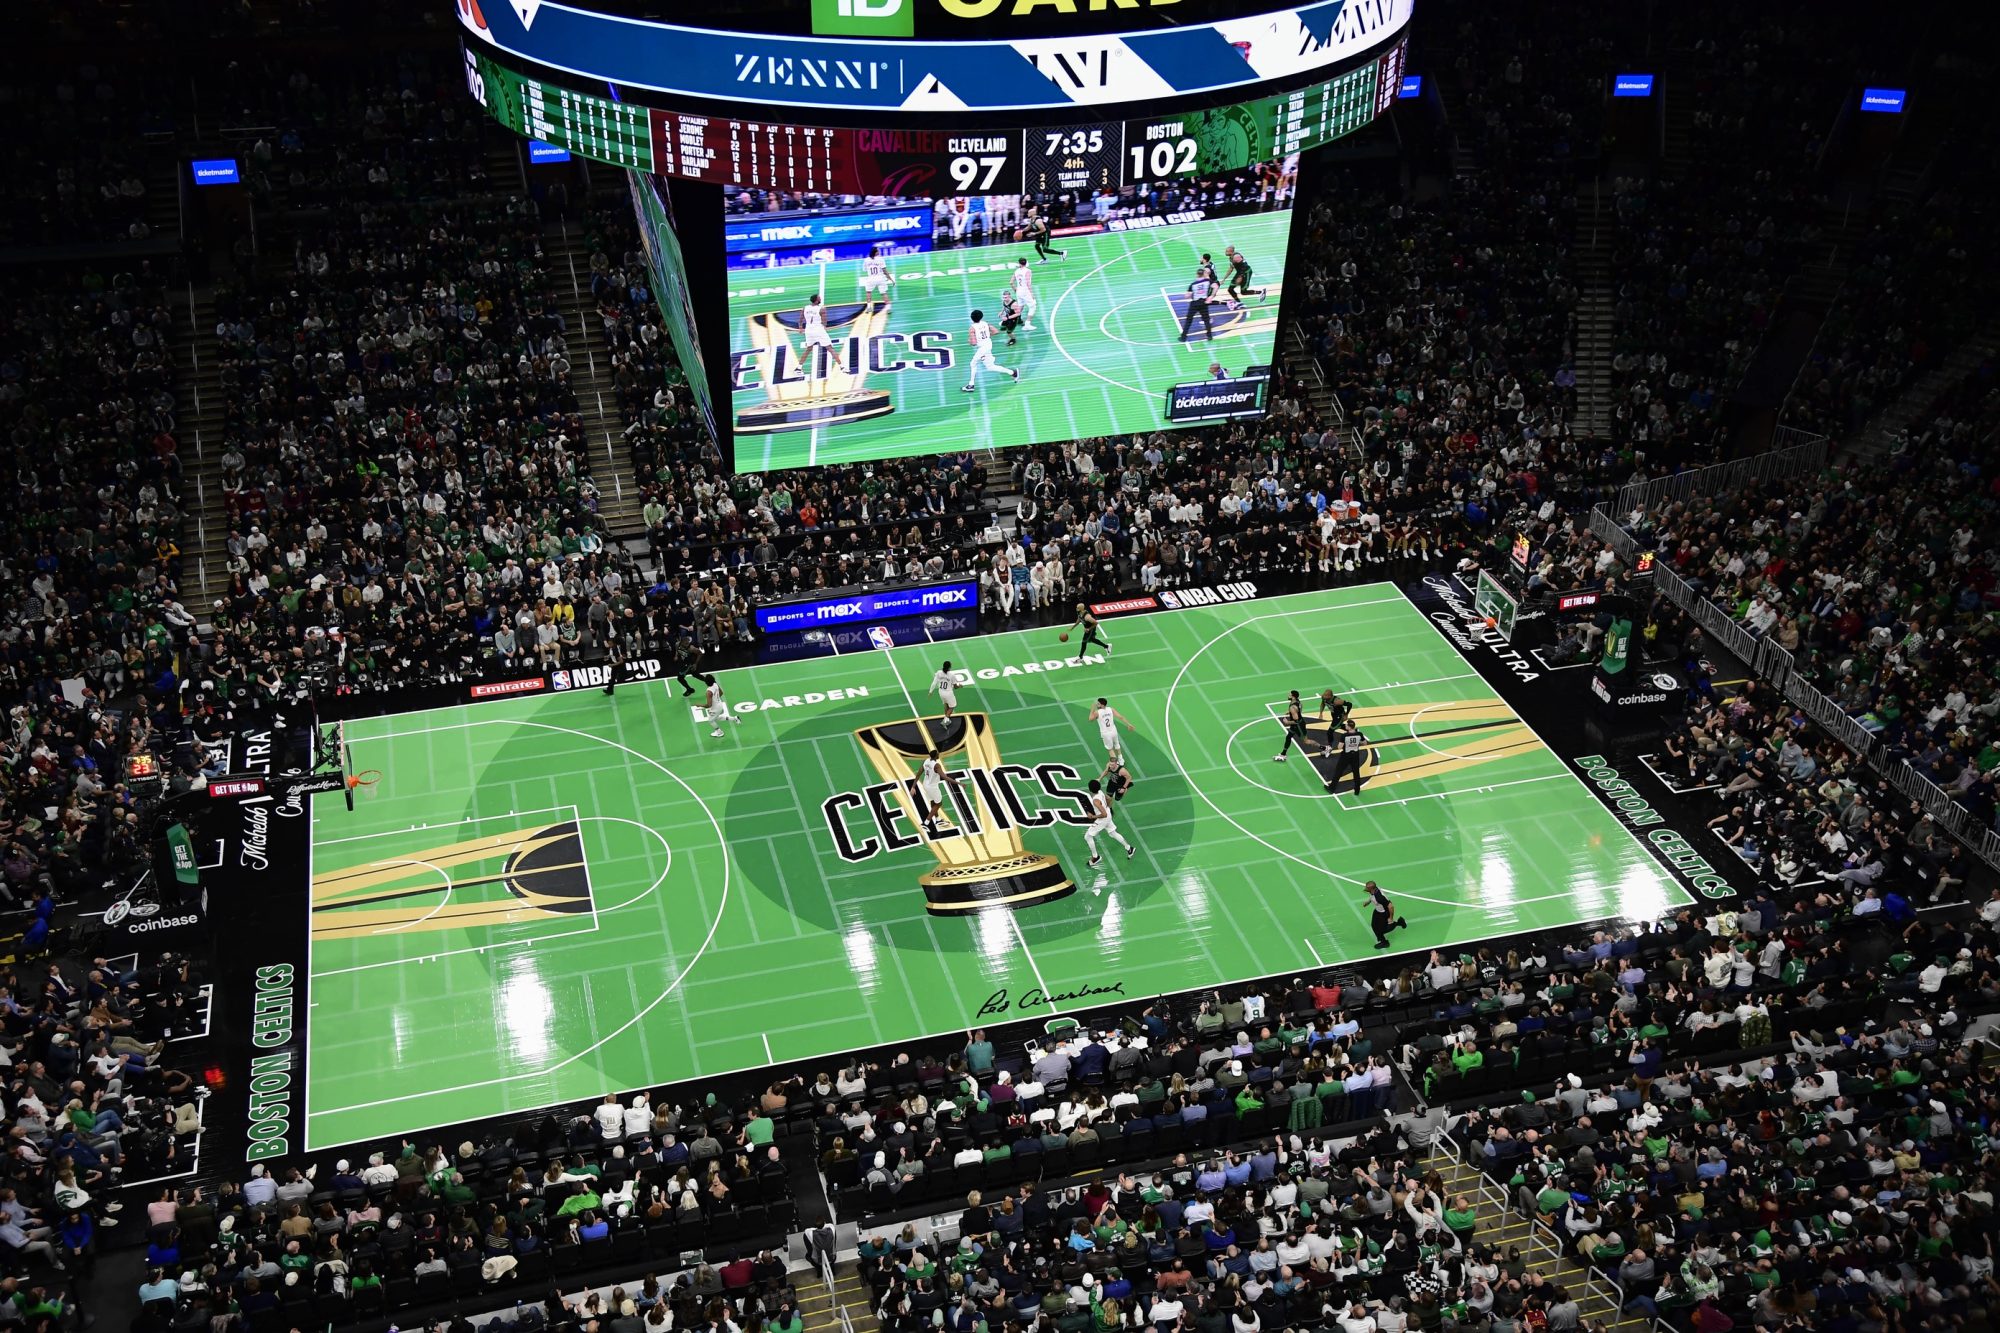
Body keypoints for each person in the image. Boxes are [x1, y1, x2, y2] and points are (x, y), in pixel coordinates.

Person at [961, 308, 1018, 393]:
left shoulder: (972, 328)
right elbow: (996, 331)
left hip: (982, 348)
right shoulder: (985, 323)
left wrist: (970, 341)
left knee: (973, 363)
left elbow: (973, 343)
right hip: (988, 345)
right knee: (990, 367)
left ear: (971, 318)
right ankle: (1012, 372)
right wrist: (987, 336)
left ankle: (971, 385)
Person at [1083, 780, 1134, 869]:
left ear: (1090, 789)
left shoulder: (1096, 800)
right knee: (1113, 833)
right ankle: (1129, 848)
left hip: (1103, 819)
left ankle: (1095, 857)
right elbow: (1110, 799)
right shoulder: (1100, 792)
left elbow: (1103, 814)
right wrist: (1108, 808)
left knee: (1087, 836)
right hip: (1107, 814)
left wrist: (1093, 817)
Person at [800, 293, 844, 388]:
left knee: (808, 349)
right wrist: (824, 327)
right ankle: (842, 366)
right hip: (818, 330)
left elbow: (800, 320)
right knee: (830, 348)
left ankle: (799, 367)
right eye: (819, 298)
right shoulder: (822, 308)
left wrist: (800, 328)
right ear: (816, 300)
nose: (820, 299)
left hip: (808, 330)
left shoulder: (805, 308)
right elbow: (825, 321)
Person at [918, 750, 958, 836]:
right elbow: (944, 777)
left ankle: (938, 820)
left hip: (926, 784)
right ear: (936, 756)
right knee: (938, 803)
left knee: (933, 802)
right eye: (938, 754)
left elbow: (919, 773)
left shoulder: (926, 761)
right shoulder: (937, 765)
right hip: (932, 787)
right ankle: (926, 823)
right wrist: (958, 783)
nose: (939, 754)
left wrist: (913, 786)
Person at [1325, 719, 1369, 795]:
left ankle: (1332, 788)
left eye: (1346, 725)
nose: (1345, 726)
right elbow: (1365, 743)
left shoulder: (1344, 736)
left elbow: (1339, 747)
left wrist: (1346, 744)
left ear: (1349, 727)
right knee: (1356, 772)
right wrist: (1357, 743)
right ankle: (1357, 790)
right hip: (1355, 755)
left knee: (1338, 771)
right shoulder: (1359, 734)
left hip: (1346, 755)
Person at [1365, 881, 1408, 948]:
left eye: (1367, 888)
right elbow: (1372, 896)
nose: (1365, 888)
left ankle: (1385, 942)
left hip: (1383, 913)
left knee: (1381, 929)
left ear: (1371, 889)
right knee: (1374, 926)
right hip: (1377, 911)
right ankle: (1399, 923)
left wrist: (1390, 918)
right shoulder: (1375, 890)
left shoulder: (1380, 898)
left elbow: (1391, 906)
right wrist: (1368, 901)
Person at [1090, 698, 1132, 765]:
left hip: (1106, 733)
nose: (1097, 704)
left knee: (1110, 749)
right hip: (1113, 730)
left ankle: (1116, 763)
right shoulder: (1111, 709)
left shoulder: (1097, 712)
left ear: (1102, 705)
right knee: (1117, 744)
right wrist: (1128, 724)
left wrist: (1092, 709)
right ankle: (1121, 759)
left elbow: (1090, 719)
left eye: (1098, 704)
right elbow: (1120, 717)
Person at [1275, 690, 1314, 761]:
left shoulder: (1292, 707)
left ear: (1293, 697)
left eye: (1289, 695)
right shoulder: (1297, 701)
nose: (1288, 695)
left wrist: (1287, 722)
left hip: (1299, 726)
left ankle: (1324, 748)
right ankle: (1283, 754)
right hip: (1295, 725)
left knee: (1306, 741)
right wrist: (1290, 712)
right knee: (1288, 737)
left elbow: (1297, 720)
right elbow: (1300, 708)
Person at [1181, 268, 1216, 341]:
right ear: (1203, 274)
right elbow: (1215, 286)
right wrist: (1211, 296)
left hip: (1195, 304)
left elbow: (1187, 296)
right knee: (1206, 320)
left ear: (1197, 275)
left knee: (1189, 320)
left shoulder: (1193, 285)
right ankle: (1209, 336)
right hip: (1204, 303)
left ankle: (1183, 337)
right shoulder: (1208, 281)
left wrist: (1190, 293)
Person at [857, 246, 893, 313]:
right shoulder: (881, 259)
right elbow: (884, 270)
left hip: (871, 279)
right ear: (875, 252)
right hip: (880, 278)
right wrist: (890, 279)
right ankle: (888, 308)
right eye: (878, 251)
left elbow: (864, 270)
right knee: (884, 293)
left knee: (868, 292)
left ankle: (869, 307)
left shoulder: (866, 260)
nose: (879, 252)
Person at [1010, 258, 1038, 329]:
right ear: (1026, 263)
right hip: (1025, 291)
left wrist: (1015, 290)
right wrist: (1032, 293)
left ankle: (1013, 319)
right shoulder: (1028, 271)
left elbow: (1011, 282)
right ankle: (1027, 324)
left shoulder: (1016, 271)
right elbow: (1028, 283)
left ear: (1019, 263)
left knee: (1020, 306)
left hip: (1019, 290)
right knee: (1033, 306)